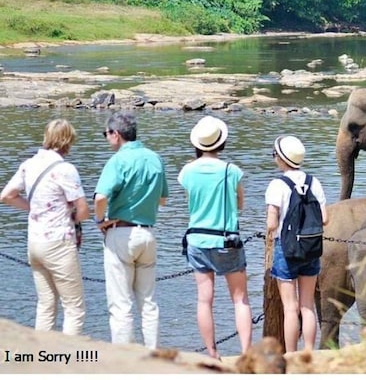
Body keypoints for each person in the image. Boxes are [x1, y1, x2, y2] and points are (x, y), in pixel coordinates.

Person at [0, 119, 89, 335]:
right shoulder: (65, 169)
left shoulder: (29, 164)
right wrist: (74, 217)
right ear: (68, 141)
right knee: (74, 308)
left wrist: (34, 208)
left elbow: (6, 196)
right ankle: (69, 359)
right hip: (59, 242)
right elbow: (83, 211)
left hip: (35, 243)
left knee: (46, 304)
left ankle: (42, 358)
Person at [94, 111, 169, 349]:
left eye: (106, 134)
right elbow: (163, 199)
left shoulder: (117, 160)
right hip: (147, 233)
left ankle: (124, 358)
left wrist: (100, 221)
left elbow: (100, 197)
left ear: (116, 134)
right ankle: (153, 353)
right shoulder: (155, 158)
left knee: (121, 303)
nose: (106, 138)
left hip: (120, 232)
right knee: (148, 302)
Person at [179, 115, 252, 359]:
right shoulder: (232, 171)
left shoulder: (187, 171)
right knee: (240, 300)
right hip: (226, 241)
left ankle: (212, 352)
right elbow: (240, 204)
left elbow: (190, 200)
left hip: (197, 240)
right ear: (221, 143)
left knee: (204, 301)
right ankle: (245, 353)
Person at [266, 135, 328, 353]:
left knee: (290, 308)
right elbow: (324, 219)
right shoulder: (314, 181)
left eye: (275, 155)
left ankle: (291, 354)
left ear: (282, 159)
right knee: (307, 306)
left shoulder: (278, 184)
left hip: (287, 249)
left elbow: (272, 223)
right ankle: (310, 352)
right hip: (311, 249)